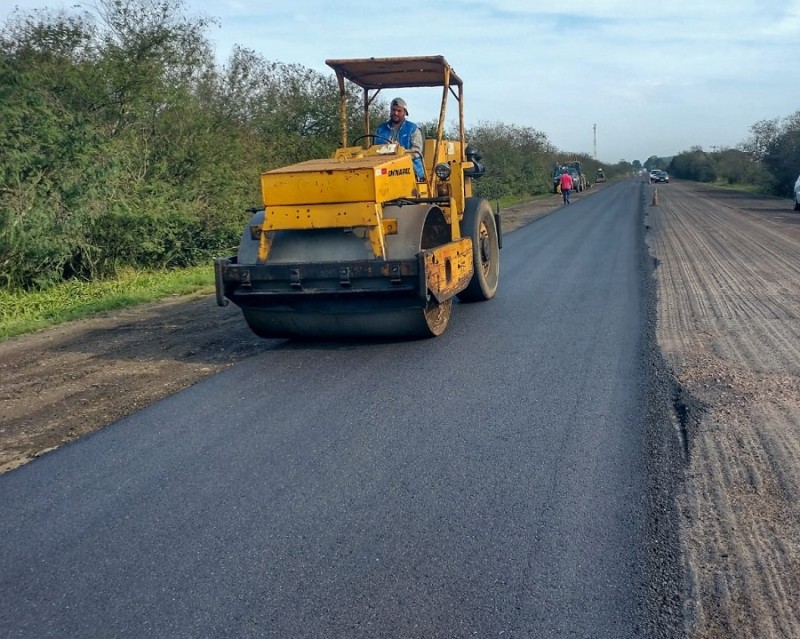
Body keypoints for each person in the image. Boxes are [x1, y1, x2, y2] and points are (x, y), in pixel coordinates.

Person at [375, 97, 425, 181]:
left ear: (405, 112)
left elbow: (417, 151)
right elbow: (374, 150)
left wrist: (400, 154)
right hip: (385, 170)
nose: (395, 113)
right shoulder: (380, 129)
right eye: (393, 110)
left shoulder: (413, 129)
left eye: (399, 111)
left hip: (411, 171)